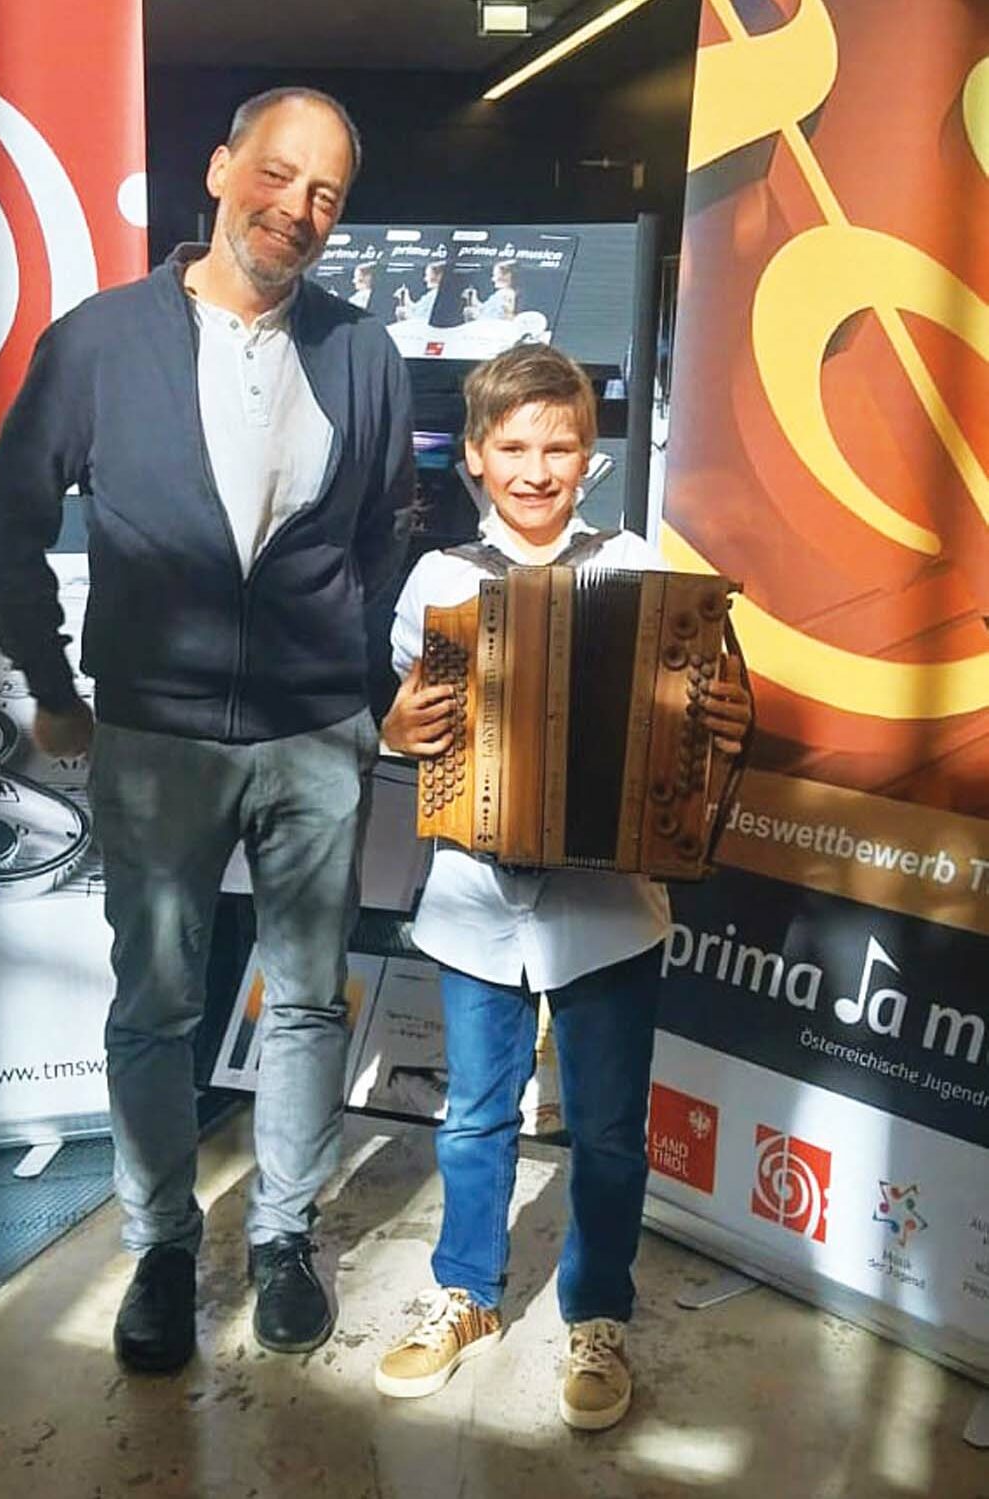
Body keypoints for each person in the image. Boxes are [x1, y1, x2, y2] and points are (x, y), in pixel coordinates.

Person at [0, 87, 414, 1373]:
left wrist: (364, 688)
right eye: (277, 173)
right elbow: (9, 525)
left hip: (315, 739)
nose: (297, 207)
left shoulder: (364, 351)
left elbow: (389, 533)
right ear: (221, 171)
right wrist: (53, 683)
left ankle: (284, 1236)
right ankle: (163, 1245)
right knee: (157, 1004)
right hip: (156, 738)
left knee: (305, 1003)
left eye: (326, 192)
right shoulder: (100, 342)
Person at [374, 344, 750, 1430]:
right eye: (513, 448)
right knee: (473, 1118)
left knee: (609, 1131)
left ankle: (597, 1313)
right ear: (475, 458)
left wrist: (724, 724)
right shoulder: (439, 580)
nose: (536, 470)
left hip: (608, 910)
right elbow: (411, 726)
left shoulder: (639, 568)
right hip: (473, 903)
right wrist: (394, 730)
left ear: (590, 457)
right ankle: (466, 1293)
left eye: (559, 447)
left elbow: (694, 724)